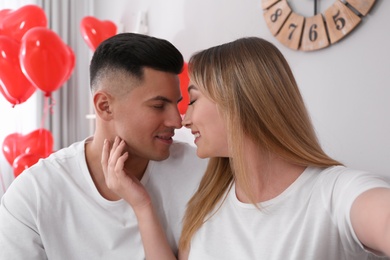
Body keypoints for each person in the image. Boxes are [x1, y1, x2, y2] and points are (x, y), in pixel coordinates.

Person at [103, 37, 390, 260]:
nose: (183, 120)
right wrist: (141, 205)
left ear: (237, 101)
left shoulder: (335, 194)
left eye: (192, 100)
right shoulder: (207, 203)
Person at [0, 33, 208, 259]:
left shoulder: (202, 172)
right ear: (105, 106)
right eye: (159, 106)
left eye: (177, 104)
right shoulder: (33, 195)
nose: (177, 121)